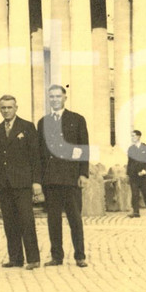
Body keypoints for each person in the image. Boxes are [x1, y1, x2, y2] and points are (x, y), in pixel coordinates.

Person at [37, 85, 89, 268]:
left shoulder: (77, 119)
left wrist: (83, 173)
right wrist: (40, 179)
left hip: (71, 178)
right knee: (53, 220)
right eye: (51, 97)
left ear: (65, 97)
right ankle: (56, 256)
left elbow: (84, 148)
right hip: (51, 179)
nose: (55, 100)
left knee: (75, 218)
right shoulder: (43, 122)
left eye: (58, 96)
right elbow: (40, 153)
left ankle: (80, 255)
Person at [0, 94, 42, 269]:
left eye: (9, 107)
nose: (6, 111)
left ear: (16, 108)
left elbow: (35, 156)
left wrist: (36, 181)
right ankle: (15, 258)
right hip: (4, 184)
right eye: (3, 107)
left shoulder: (27, 127)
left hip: (22, 183)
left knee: (26, 220)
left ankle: (33, 259)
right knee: (9, 222)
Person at [126, 130, 146, 218]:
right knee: (134, 193)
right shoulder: (131, 149)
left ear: (138, 136)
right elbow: (129, 162)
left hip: (143, 174)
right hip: (133, 175)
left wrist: (145, 170)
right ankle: (136, 212)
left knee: (145, 192)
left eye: (134, 136)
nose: (132, 138)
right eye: (131, 136)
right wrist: (128, 174)